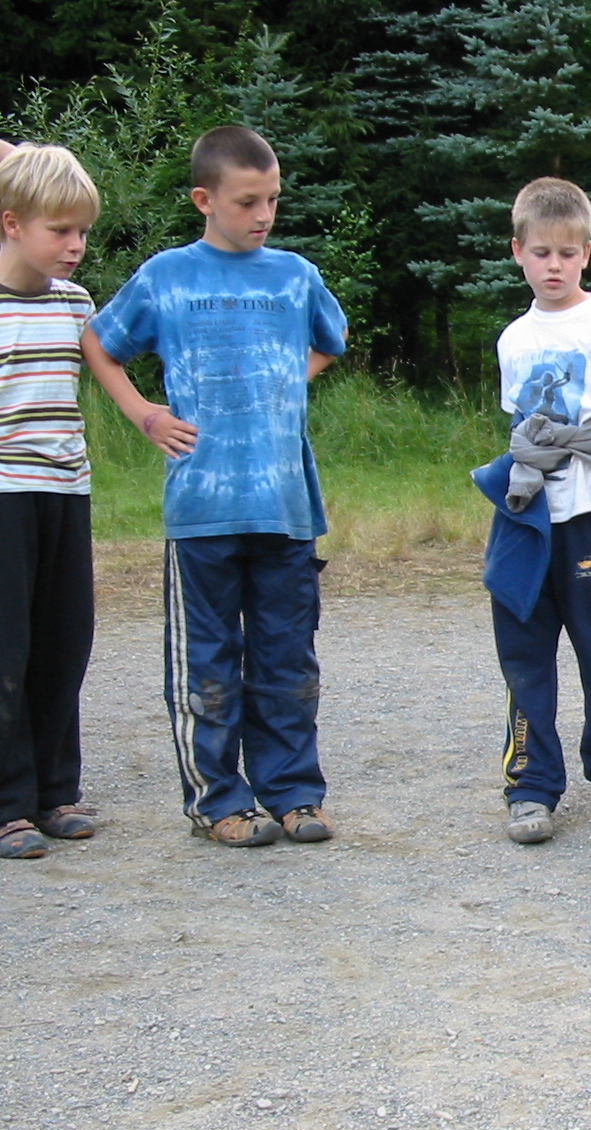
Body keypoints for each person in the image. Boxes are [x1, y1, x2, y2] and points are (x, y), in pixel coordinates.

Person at [81, 125, 347, 848]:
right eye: (246, 202)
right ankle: (217, 800)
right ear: (204, 200)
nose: (264, 215)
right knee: (208, 666)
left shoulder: (295, 275)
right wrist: (143, 413)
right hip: (203, 508)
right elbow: (100, 342)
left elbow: (331, 340)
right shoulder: (167, 276)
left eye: (273, 200)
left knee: (288, 659)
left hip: (286, 508)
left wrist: (287, 377)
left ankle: (293, 793)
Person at [471, 177, 591, 845]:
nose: (553, 266)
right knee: (525, 655)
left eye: (567, 253)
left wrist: (582, 440)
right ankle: (531, 785)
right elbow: (520, 426)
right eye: (540, 253)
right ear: (517, 252)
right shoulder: (514, 338)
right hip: (526, 516)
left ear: (586, 253)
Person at [0, 143, 101, 859]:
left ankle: (55, 790)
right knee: (8, 646)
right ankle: (8, 804)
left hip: (67, 490)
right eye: (59, 230)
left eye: (83, 231)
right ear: (11, 224)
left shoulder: (76, 303)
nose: (75, 246)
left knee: (65, 641)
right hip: (4, 494)